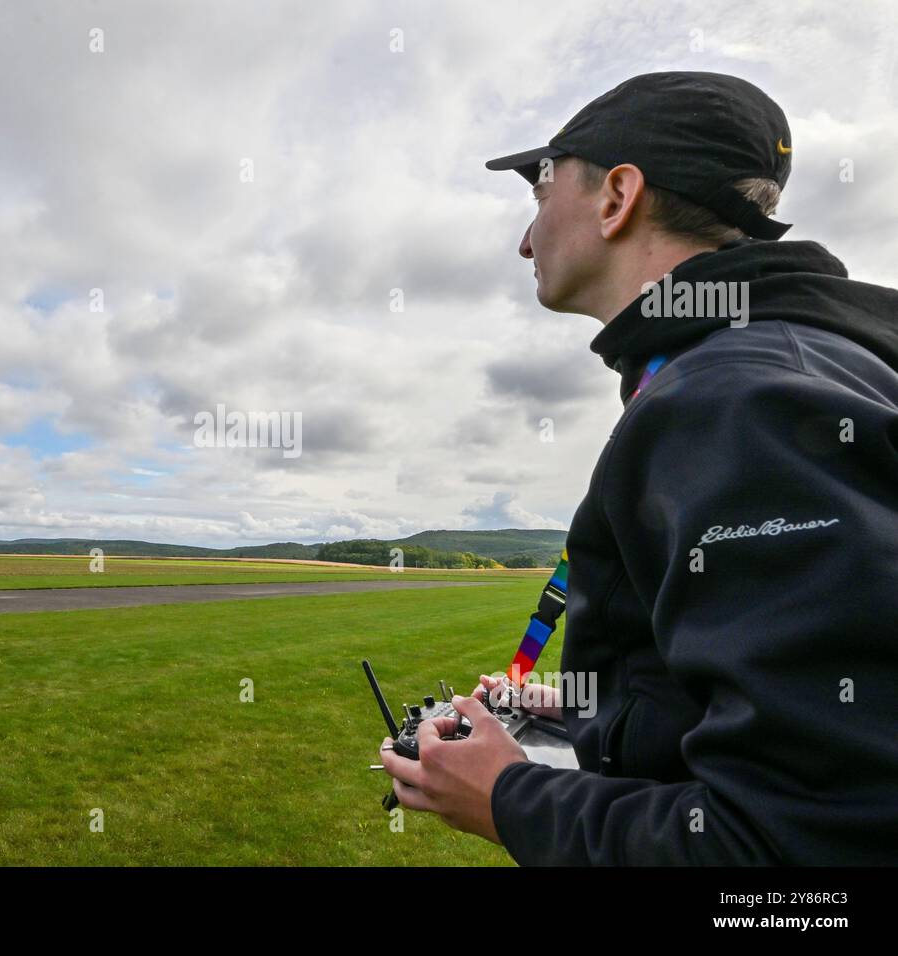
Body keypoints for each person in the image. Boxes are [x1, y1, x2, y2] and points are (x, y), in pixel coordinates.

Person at [378, 71, 898, 864]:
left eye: (540, 195)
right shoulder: (794, 364)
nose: (526, 240)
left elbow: (803, 852)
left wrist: (509, 798)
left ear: (618, 196)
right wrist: (607, 712)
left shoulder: (737, 402)